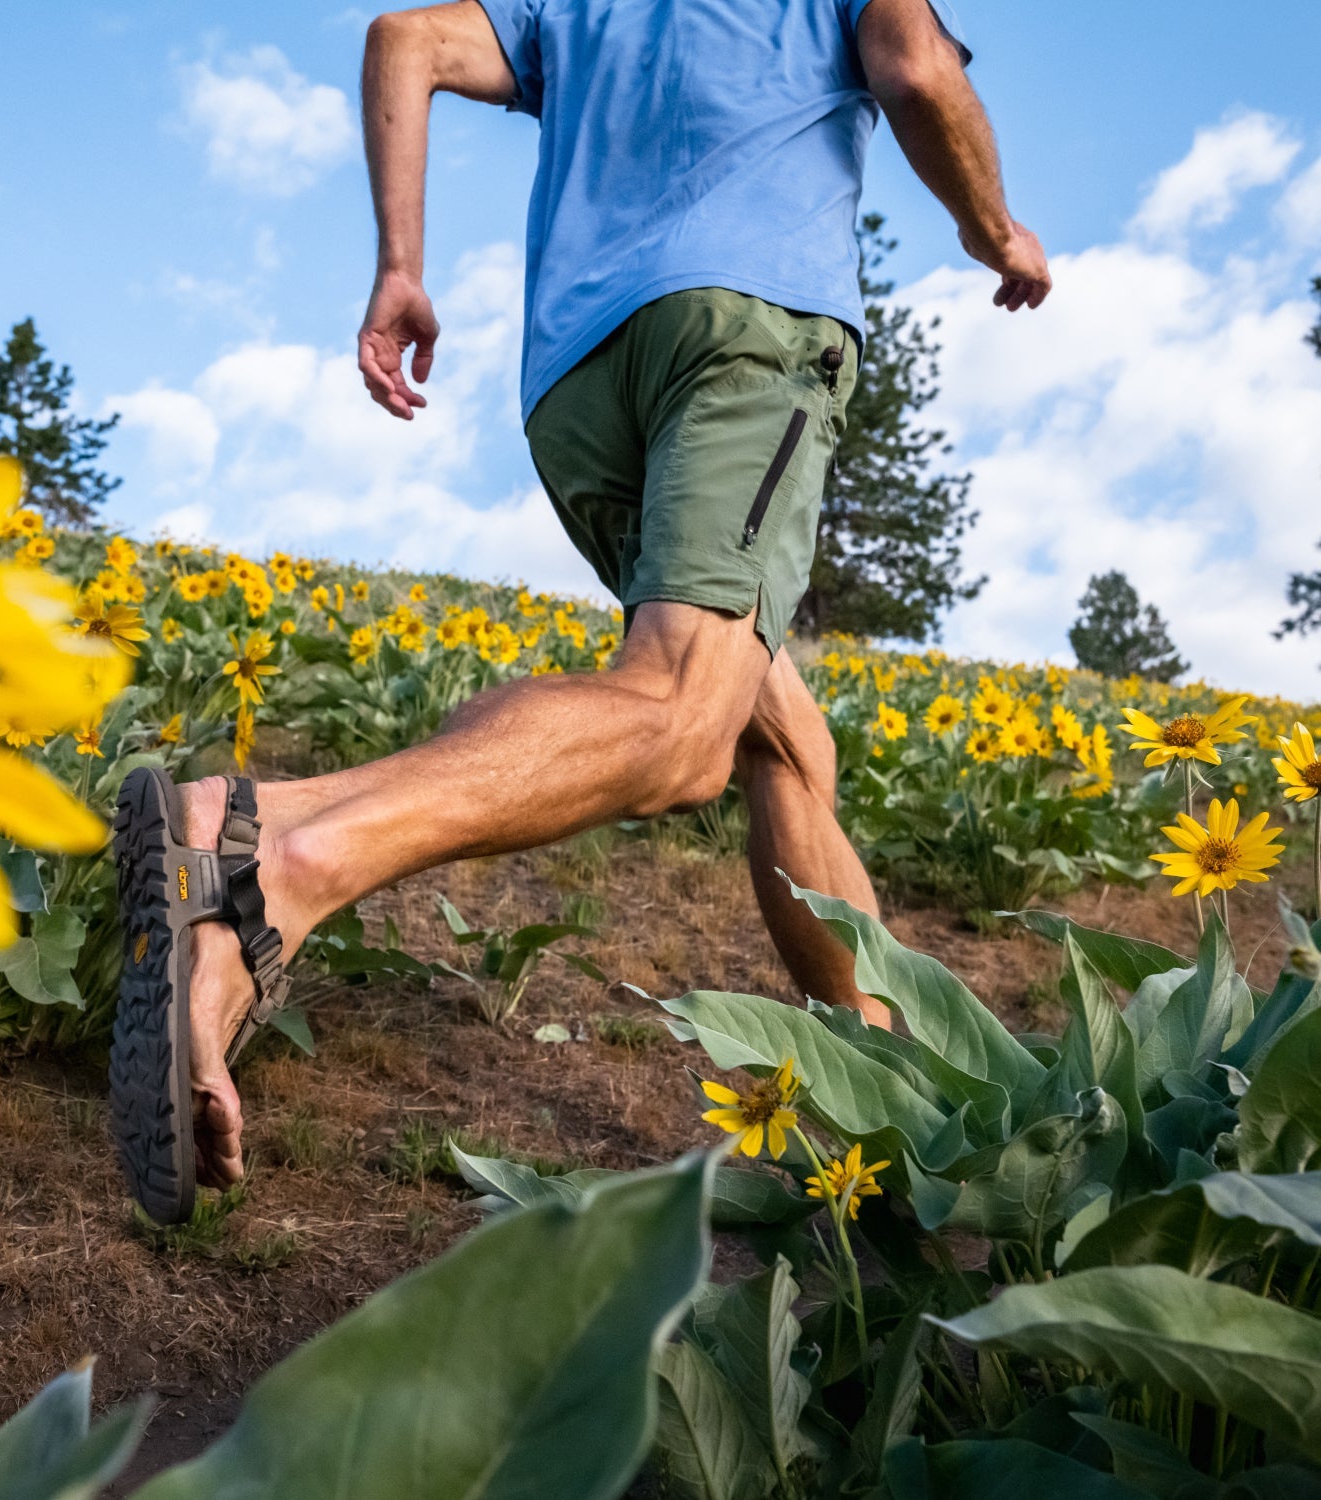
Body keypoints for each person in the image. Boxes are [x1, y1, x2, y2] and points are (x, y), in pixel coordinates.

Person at [110, 0, 1050, 1220]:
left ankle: (890, 1099)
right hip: (741, 332)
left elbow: (406, 39)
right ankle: (279, 854)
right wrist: (996, 230)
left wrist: (400, 268)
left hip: (576, 377)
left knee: (780, 736)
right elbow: (915, 69)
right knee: (680, 723)